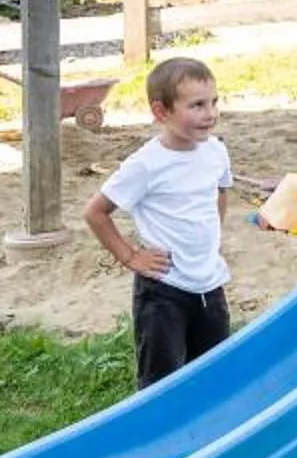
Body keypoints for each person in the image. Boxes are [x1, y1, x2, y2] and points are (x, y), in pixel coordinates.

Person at [85, 55, 236, 387]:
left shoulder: (215, 152)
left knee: (213, 374)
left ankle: (207, 434)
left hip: (210, 286)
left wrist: (211, 238)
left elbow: (221, 192)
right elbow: (96, 212)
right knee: (161, 379)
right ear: (161, 112)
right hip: (164, 290)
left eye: (214, 102)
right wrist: (130, 257)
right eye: (196, 105)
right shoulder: (146, 164)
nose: (210, 113)